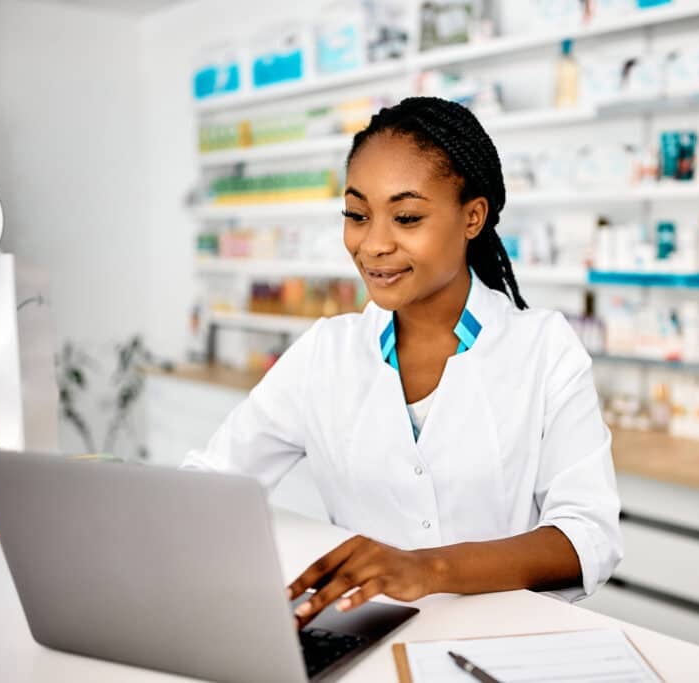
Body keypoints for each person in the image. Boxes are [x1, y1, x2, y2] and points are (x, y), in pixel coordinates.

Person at [182, 96, 623, 628]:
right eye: (357, 215)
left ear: (473, 217)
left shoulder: (544, 349)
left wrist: (427, 568)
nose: (373, 244)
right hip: (365, 637)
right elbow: (215, 480)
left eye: (407, 217)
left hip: (505, 640)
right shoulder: (327, 353)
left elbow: (587, 538)